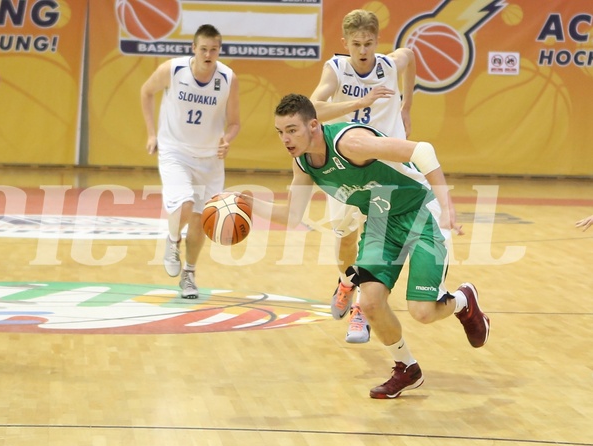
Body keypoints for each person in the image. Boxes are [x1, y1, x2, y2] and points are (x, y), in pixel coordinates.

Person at [240, 94, 490, 399]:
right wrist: (248, 204)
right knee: (370, 303)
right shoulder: (304, 162)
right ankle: (407, 368)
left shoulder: (351, 144)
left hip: (421, 210)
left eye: (292, 130)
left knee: (422, 313)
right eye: (280, 132)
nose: (286, 139)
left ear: (314, 125)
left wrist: (448, 206)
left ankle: (463, 301)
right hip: (381, 219)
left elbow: (423, 150)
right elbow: (293, 215)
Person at [309, 9, 416, 344]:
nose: (363, 49)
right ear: (345, 43)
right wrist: (360, 101)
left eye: (369, 42)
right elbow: (313, 108)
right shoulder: (336, 69)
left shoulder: (388, 64)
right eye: (356, 44)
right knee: (345, 240)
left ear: (377, 41)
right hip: (342, 167)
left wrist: (407, 106)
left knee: (376, 244)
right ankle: (345, 281)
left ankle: (360, 312)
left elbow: (409, 56)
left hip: (383, 170)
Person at [140, 24, 240, 299]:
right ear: (193, 49)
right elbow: (146, 92)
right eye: (204, 49)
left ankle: (189, 275)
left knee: (200, 221)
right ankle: (172, 241)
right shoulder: (172, 70)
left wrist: (227, 139)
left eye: (214, 50)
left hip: (210, 159)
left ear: (219, 50)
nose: (208, 55)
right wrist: (151, 133)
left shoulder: (228, 78)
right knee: (184, 203)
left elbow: (234, 123)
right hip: (175, 151)